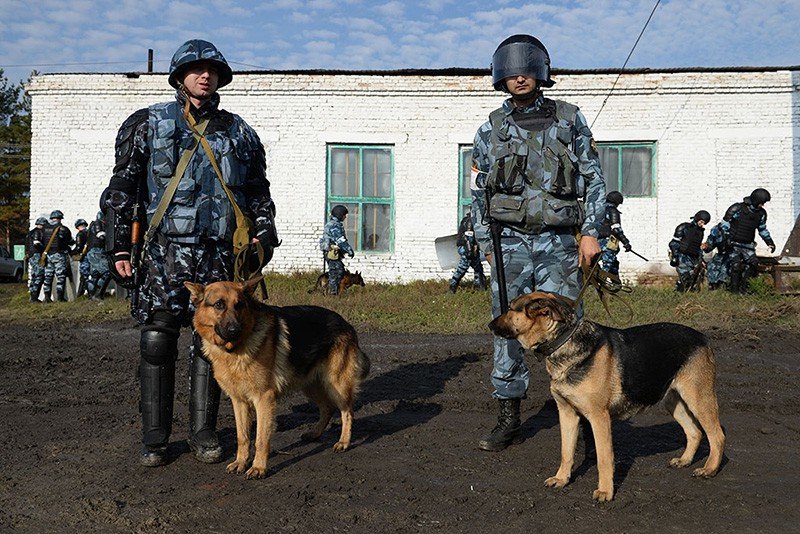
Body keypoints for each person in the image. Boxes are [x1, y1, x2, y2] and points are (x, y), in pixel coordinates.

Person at [99, 39, 279, 467]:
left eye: (213, 70)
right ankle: (155, 439)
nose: (205, 75)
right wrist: (118, 244)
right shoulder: (148, 124)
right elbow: (123, 188)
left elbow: (257, 191)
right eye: (196, 69)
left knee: (216, 343)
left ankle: (204, 434)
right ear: (180, 77)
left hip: (219, 256)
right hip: (164, 255)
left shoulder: (239, 132)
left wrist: (265, 234)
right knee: (158, 341)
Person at [471, 35, 605, 452]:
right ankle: (508, 414)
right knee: (507, 324)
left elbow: (595, 180)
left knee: (567, 322)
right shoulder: (490, 128)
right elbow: (478, 191)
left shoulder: (570, 120)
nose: (519, 77)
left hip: (559, 241)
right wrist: (483, 242)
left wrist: (591, 231)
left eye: (526, 68)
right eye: (510, 71)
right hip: (507, 240)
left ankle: (577, 406)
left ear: (541, 72)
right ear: (501, 77)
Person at [722, 188, 775, 293]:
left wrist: (770, 242)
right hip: (734, 244)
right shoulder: (737, 208)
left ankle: (744, 289)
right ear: (756, 200)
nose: (762, 205)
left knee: (753, 263)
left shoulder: (761, 214)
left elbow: (762, 229)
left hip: (748, 244)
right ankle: (734, 292)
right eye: (761, 203)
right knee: (736, 265)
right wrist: (726, 238)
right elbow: (724, 224)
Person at [669, 210, 710, 292]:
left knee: (692, 280)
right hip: (681, 256)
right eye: (701, 222)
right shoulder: (684, 227)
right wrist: (675, 256)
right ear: (697, 218)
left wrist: (701, 260)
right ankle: (678, 295)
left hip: (693, 258)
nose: (702, 224)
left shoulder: (700, 232)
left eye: (704, 223)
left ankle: (686, 296)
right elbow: (673, 243)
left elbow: (697, 247)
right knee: (685, 278)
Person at [597, 191, 631, 287]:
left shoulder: (598, 209)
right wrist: (626, 242)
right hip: (608, 242)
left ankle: (616, 286)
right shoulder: (612, 211)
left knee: (613, 264)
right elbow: (616, 229)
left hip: (595, 241)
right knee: (607, 265)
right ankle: (601, 287)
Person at [319, 205, 354, 295]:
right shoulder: (334, 225)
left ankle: (333, 291)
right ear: (339, 215)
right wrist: (349, 250)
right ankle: (332, 293)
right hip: (332, 253)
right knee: (336, 272)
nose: (345, 217)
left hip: (333, 253)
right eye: (344, 215)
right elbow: (340, 240)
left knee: (338, 271)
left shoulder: (334, 224)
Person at [40, 209, 74, 302]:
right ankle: (60, 298)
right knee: (60, 276)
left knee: (48, 276)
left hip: (48, 255)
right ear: (60, 218)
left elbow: (41, 241)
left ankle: (47, 297)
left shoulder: (44, 229)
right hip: (59, 254)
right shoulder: (63, 229)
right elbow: (70, 241)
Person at [449, 213, 486, 292]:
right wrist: (469, 251)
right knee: (462, 268)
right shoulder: (470, 221)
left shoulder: (467, 220)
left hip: (470, 248)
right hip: (467, 248)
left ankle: (480, 287)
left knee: (478, 268)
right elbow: (468, 238)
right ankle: (452, 286)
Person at [85, 211, 111, 300]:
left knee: (94, 275)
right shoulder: (98, 224)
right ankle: (99, 294)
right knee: (107, 272)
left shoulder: (94, 224)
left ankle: (92, 295)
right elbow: (101, 236)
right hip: (97, 252)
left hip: (95, 251)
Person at [703, 221, 731, 290]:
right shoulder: (716, 229)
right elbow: (710, 244)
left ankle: (724, 285)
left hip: (733, 254)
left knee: (726, 267)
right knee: (712, 265)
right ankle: (713, 285)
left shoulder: (738, 228)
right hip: (721, 254)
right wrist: (706, 247)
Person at [25, 216, 47, 303]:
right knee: (39, 275)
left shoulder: (30, 233)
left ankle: (32, 297)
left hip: (31, 255)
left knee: (34, 275)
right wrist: (44, 250)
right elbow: (36, 243)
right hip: (36, 255)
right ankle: (34, 298)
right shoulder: (37, 232)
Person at [72, 218, 90, 298]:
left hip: (84, 256)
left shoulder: (80, 234)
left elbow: (79, 247)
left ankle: (83, 293)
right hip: (91, 256)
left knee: (84, 275)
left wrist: (72, 252)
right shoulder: (90, 232)